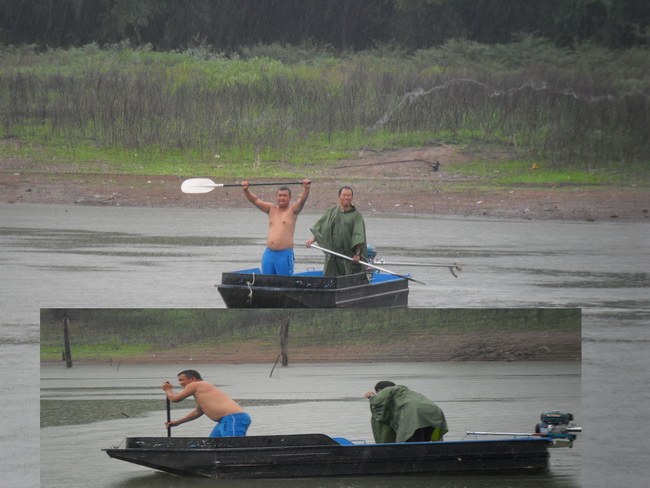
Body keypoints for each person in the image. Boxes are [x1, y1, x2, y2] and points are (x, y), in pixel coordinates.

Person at [242, 179, 311, 275]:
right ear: (276, 197)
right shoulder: (271, 209)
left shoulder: (293, 210)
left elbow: (302, 200)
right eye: (280, 195)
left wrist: (306, 189)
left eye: (284, 196)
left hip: (284, 255)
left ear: (290, 198)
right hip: (269, 254)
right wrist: (246, 190)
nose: (282, 198)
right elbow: (255, 200)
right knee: (266, 282)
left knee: (284, 284)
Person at [162, 369, 251, 437]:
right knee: (212, 444)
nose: (180, 383)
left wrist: (168, 389)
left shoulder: (195, 385)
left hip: (233, 418)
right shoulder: (202, 391)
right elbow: (198, 412)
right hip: (225, 420)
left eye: (182, 380)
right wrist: (178, 422)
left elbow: (175, 399)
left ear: (193, 379)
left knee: (233, 445)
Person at [305, 186, 367, 276]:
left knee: (348, 278)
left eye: (349, 195)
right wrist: (311, 241)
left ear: (352, 197)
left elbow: (358, 235)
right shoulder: (332, 211)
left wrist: (357, 254)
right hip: (333, 255)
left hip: (349, 257)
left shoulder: (357, 215)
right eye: (344, 195)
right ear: (339, 197)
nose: (346, 198)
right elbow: (323, 228)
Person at [364, 381, 448, 443]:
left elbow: (376, 401)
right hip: (434, 411)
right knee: (424, 439)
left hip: (414, 413)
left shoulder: (389, 389)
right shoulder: (406, 393)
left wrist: (370, 395)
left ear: (379, 390)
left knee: (406, 440)